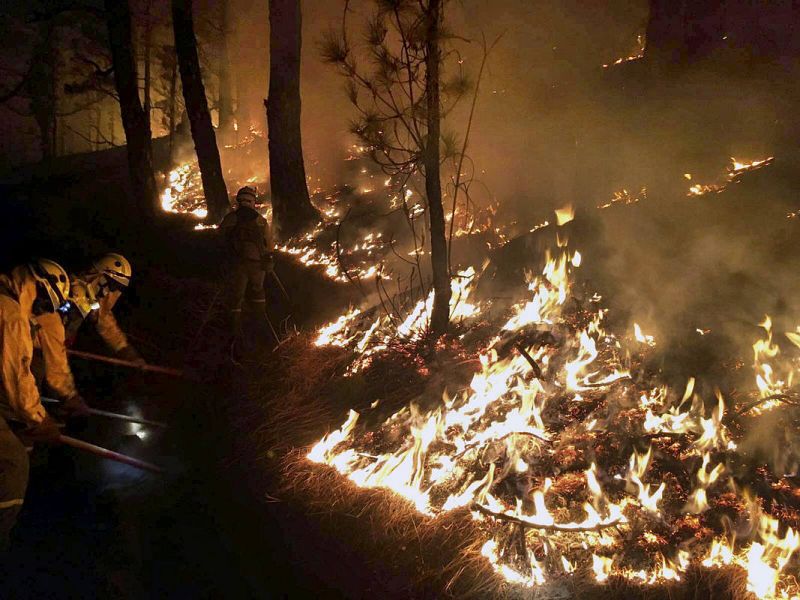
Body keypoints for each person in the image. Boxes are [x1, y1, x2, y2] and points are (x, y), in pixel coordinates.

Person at [0, 259, 67, 550]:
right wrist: (40, 419)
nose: (39, 313)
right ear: (34, 286)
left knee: (14, 425)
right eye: (41, 305)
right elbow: (17, 377)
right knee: (14, 463)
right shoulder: (11, 314)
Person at [219, 186, 276, 346]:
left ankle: (234, 333)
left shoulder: (231, 218)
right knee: (258, 290)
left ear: (239, 201)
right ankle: (260, 324)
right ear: (253, 202)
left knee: (236, 297)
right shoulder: (260, 220)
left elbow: (220, 238)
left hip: (237, 264)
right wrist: (269, 258)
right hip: (257, 264)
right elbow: (269, 244)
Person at [32, 279, 95, 419]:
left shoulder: (46, 313)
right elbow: (56, 370)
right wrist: (71, 396)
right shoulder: (52, 321)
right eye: (76, 316)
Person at [78, 253, 144, 365]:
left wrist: (126, 352)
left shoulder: (97, 299)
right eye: (112, 284)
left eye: (117, 287)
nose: (112, 291)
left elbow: (104, 322)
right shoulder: (69, 290)